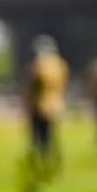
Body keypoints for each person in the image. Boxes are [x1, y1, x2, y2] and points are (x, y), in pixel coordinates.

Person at [23, 35, 69, 168]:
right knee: (51, 136)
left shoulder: (39, 65)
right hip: (56, 104)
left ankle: (41, 161)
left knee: (38, 136)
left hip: (40, 104)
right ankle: (51, 161)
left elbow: (35, 83)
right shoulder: (60, 64)